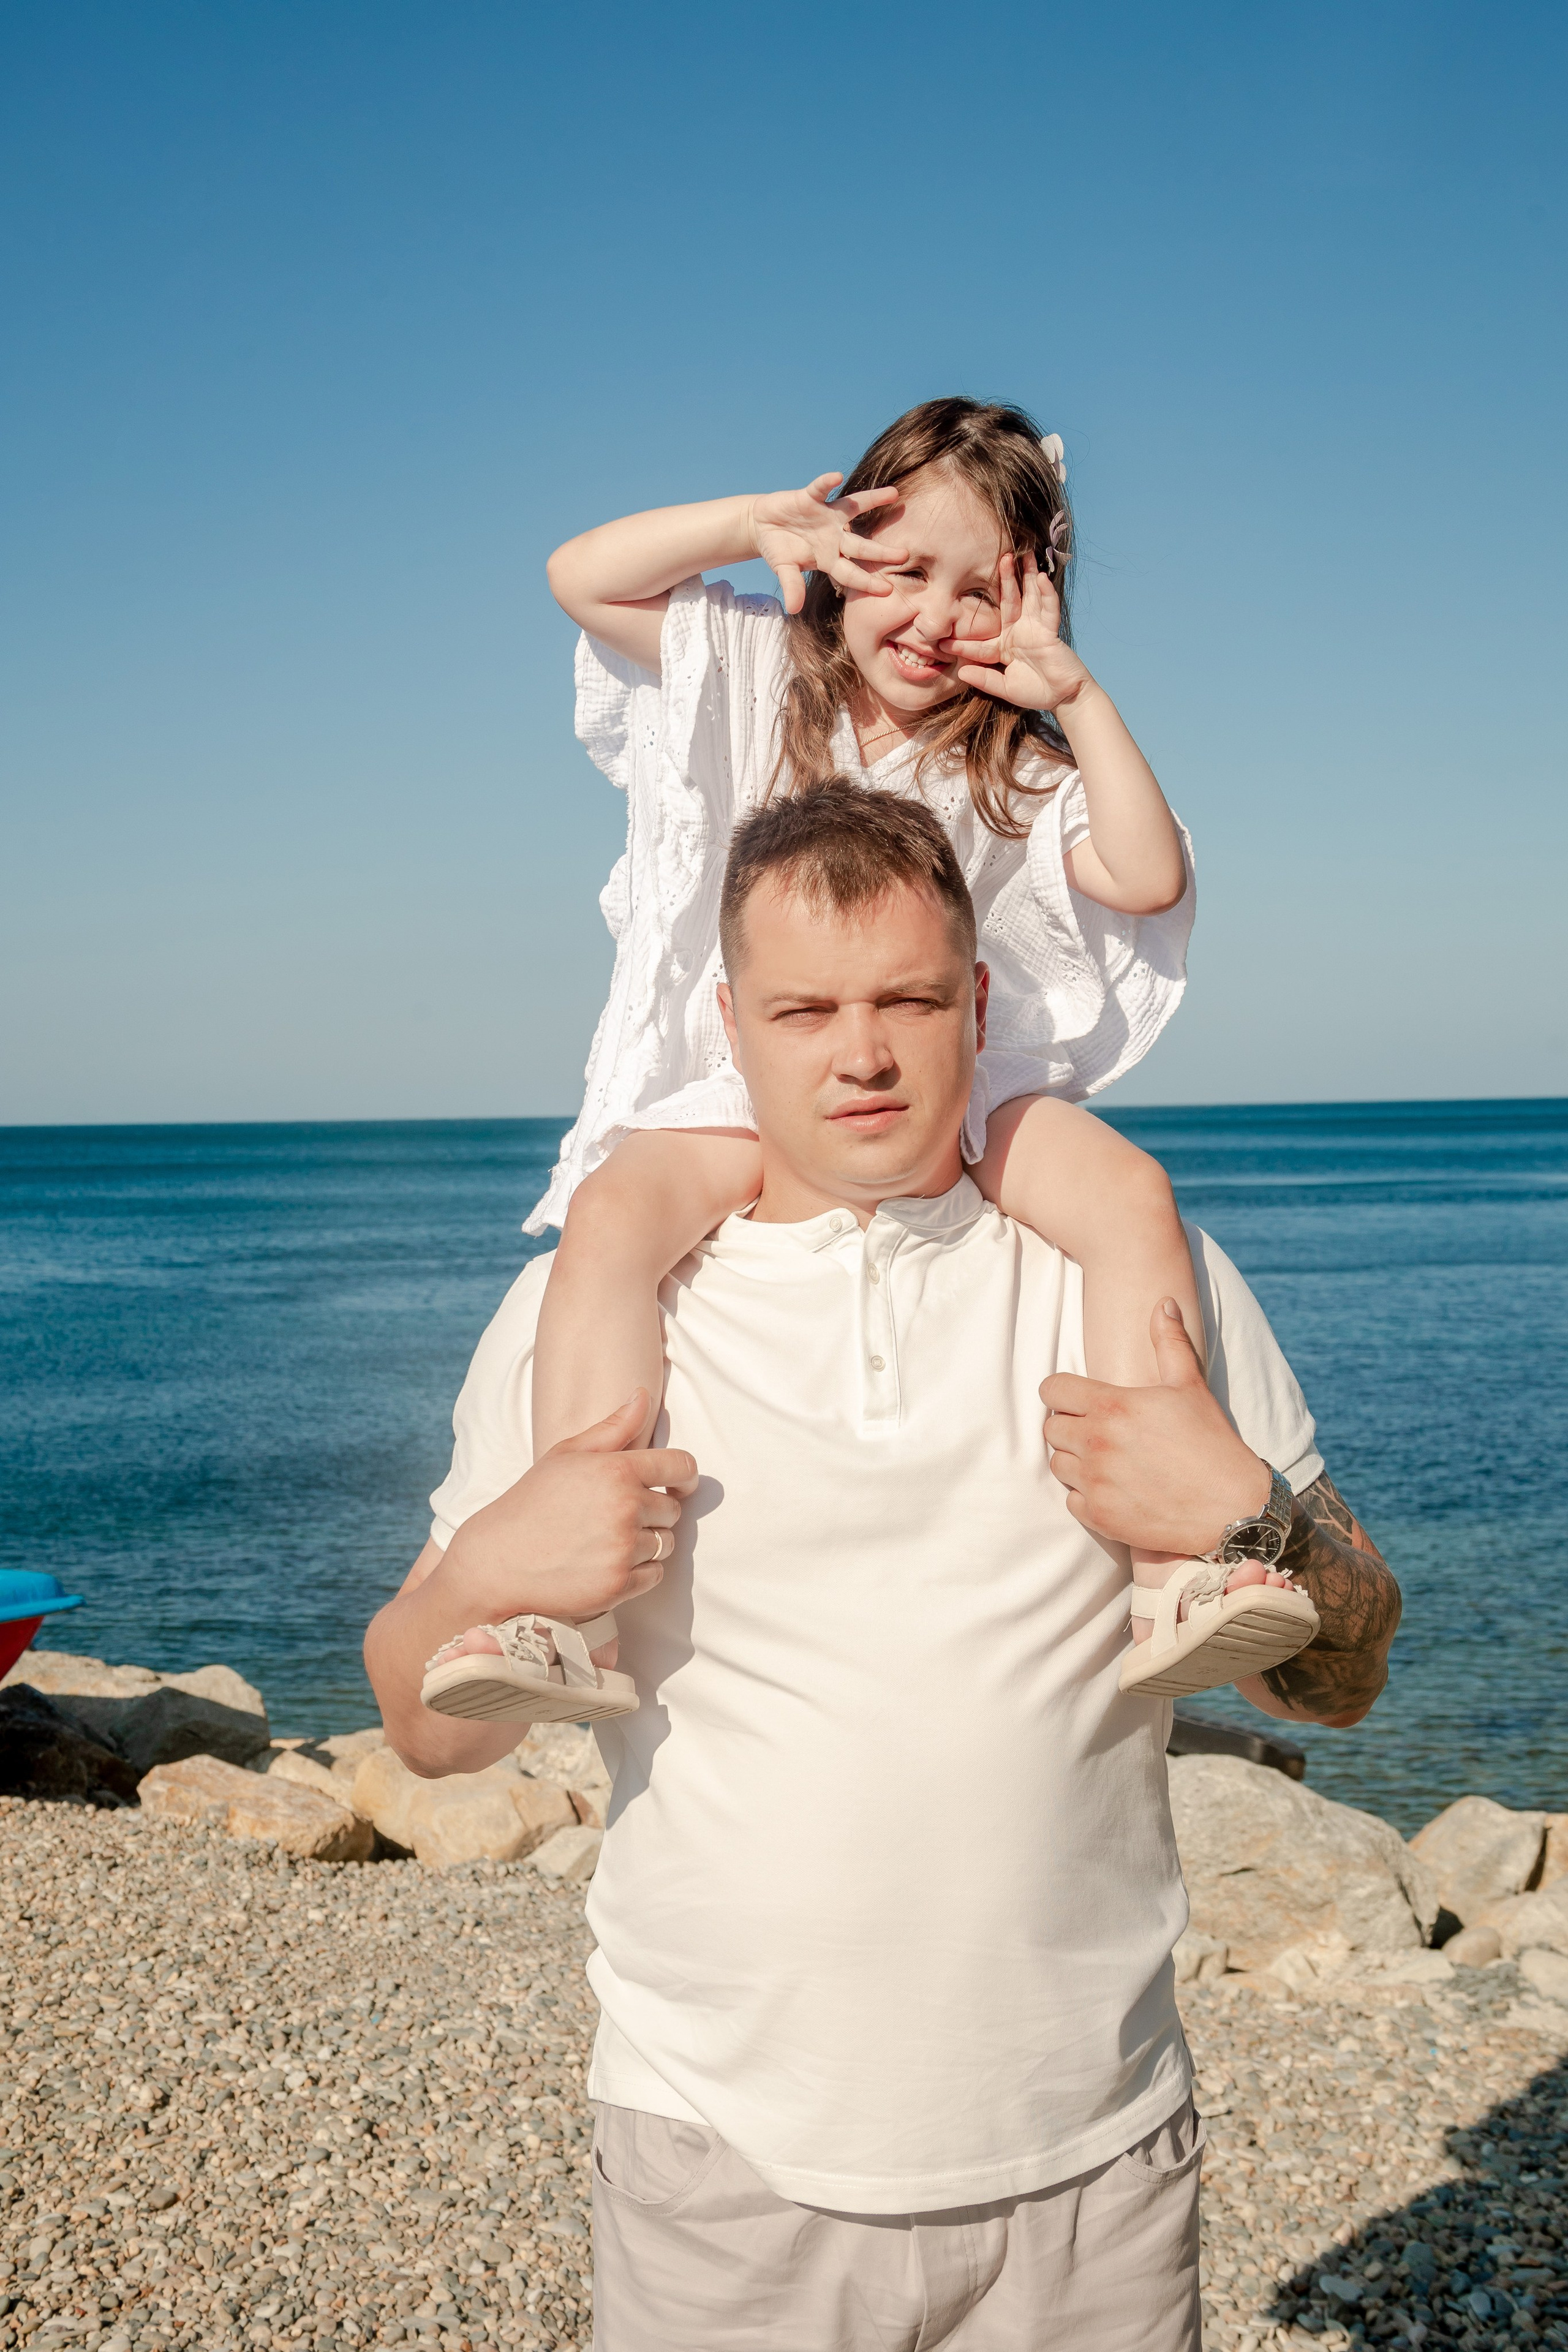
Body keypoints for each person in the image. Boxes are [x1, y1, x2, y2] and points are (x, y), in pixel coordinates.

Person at [365, 783, 1400, 2351]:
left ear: (976, 1006)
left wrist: (1250, 1519)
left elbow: (1341, 1685)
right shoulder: (597, 1314)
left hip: (1097, 2167)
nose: (860, 1054)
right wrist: (483, 1575)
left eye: (907, 1002)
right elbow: (427, 1732)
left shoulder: (1136, 1279)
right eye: (804, 1010)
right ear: (730, 1024)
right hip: (716, 2168)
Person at [420, 396, 1314, 1725]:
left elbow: (1144, 874)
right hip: (745, 1089)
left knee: (1129, 1195)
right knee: (613, 1218)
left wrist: (1072, 694)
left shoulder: (1013, 761)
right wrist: (751, 524)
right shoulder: (750, 673)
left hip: (969, 1082)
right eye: (901, 570)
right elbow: (580, 576)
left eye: (980, 589)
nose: (935, 616)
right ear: (840, 558)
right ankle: (566, 1608)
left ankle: (1172, 1574)